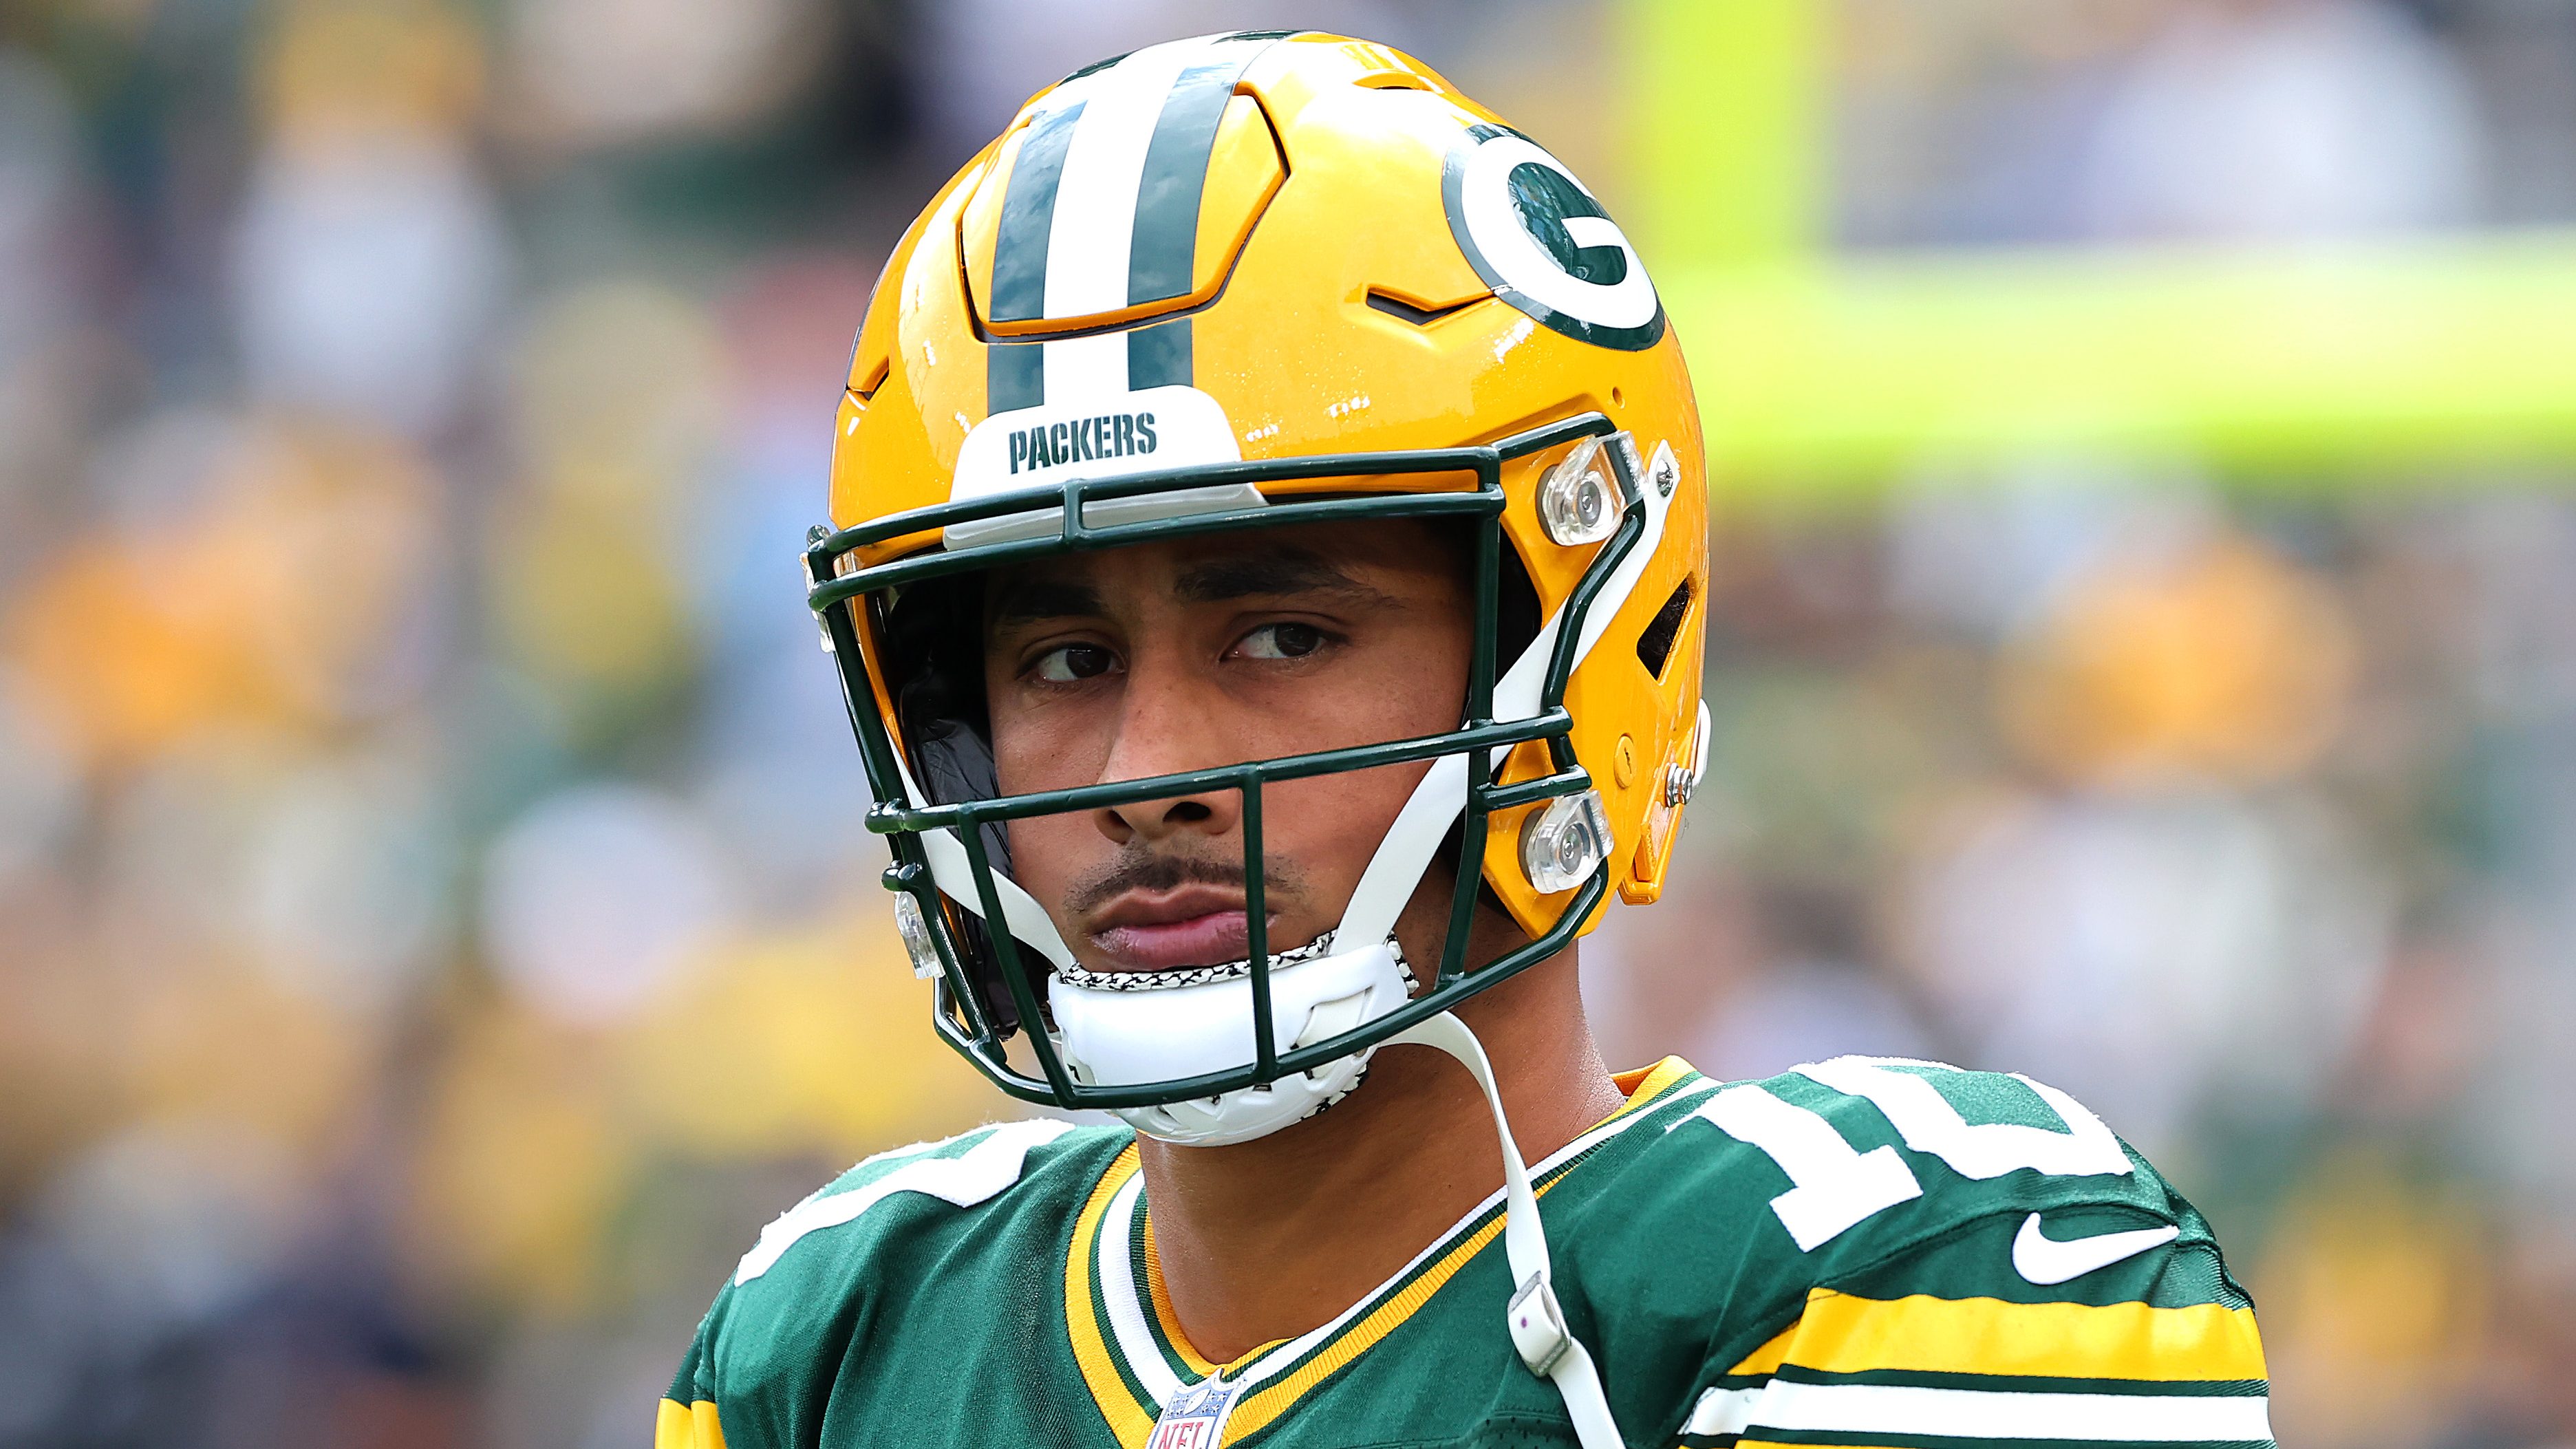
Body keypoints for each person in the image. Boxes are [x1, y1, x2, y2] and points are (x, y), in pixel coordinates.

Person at [658, 32, 2272, 1449]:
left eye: (1282, 636)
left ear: (1567, 657)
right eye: (1065, 658)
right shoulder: (842, 1335)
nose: (1143, 768)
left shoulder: (1897, 1272)